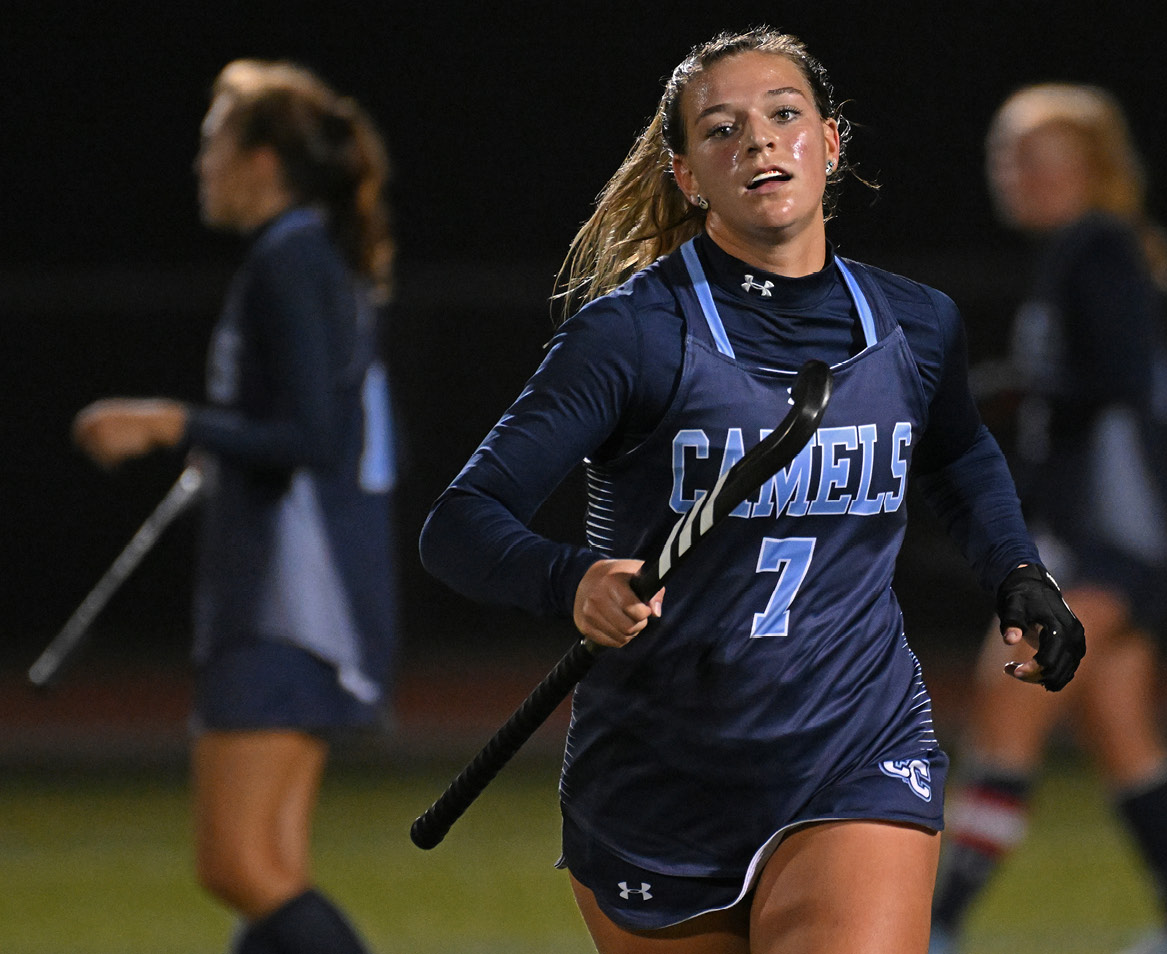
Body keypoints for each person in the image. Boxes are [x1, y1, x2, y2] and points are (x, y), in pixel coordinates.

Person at [419, 27, 1083, 954]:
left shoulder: (916, 323)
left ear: (831, 143)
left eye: (784, 115)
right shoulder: (633, 336)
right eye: (723, 129)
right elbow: (458, 522)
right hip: (658, 772)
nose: (761, 142)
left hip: (853, 746)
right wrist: (570, 580)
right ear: (688, 176)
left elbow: (959, 452)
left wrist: (1017, 569)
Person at [71, 60, 398, 954]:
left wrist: (169, 421)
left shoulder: (290, 263)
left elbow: (315, 438)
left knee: (237, 866)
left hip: (291, 604)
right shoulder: (306, 260)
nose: (199, 164)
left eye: (214, 141)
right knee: (265, 876)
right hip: (299, 598)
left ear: (262, 161)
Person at [928, 84, 1167, 954]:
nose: (1011, 174)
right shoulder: (1090, 251)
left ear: (1089, 171)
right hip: (1111, 539)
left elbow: (1113, 380)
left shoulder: (1095, 247)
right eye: (1003, 156)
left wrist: (995, 395)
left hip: (1114, 543)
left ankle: (936, 928)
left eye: (1032, 157)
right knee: (1121, 735)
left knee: (1008, 690)